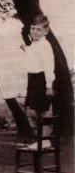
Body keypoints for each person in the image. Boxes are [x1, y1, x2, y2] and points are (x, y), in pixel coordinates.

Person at [22, 13, 55, 149]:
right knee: (31, 110)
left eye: (38, 29)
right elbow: (33, 57)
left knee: (43, 109)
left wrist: (49, 85)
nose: (34, 31)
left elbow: (48, 66)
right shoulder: (35, 44)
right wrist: (26, 49)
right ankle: (40, 139)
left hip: (41, 80)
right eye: (32, 28)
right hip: (33, 79)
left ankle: (45, 140)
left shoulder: (45, 45)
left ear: (45, 31)